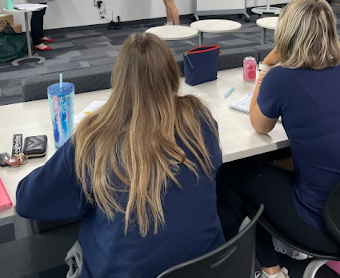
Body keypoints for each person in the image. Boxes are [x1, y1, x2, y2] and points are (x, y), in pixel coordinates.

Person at [16, 33, 225, 278]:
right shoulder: (199, 118)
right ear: (171, 74)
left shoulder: (94, 137)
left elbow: (27, 200)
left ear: (119, 79)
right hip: (209, 269)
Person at [222, 0, 340, 278]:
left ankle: (271, 271)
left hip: (321, 223)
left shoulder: (281, 78)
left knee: (229, 171)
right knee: (276, 163)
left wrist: (265, 66)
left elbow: (259, 125)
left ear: (287, 34)